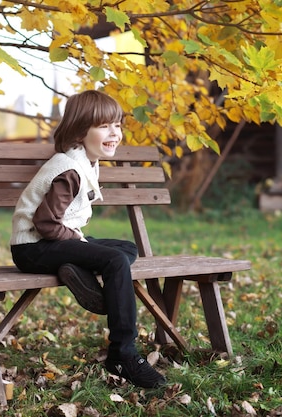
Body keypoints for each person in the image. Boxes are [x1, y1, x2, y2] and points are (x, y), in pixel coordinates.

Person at [9, 90, 167, 389]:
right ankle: (124, 354)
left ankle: (78, 271)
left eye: (118, 125)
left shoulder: (86, 162)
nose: (115, 133)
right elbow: (45, 222)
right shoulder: (69, 169)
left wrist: (78, 244)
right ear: (81, 132)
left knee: (125, 248)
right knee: (116, 260)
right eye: (105, 126)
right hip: (33, 247)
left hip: (55, 241)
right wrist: (79, 243)